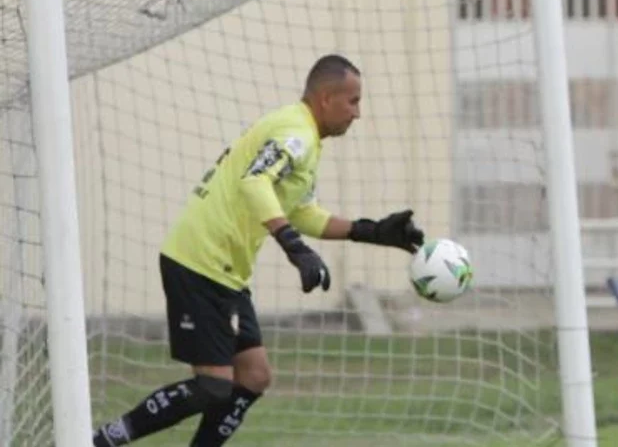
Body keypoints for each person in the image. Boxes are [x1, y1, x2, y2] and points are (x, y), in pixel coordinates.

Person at [92, 54, 426, 447]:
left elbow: (301, 212)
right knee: (215, 386)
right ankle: (103, 440)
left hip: (225, 271)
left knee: (253, 376)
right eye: (352, 101)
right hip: (198, 263)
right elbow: (255, 183)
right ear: (324, 98)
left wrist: (369, 232)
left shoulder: (304, 137)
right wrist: (293, 248)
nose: (358, 113)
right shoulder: (296, 133)